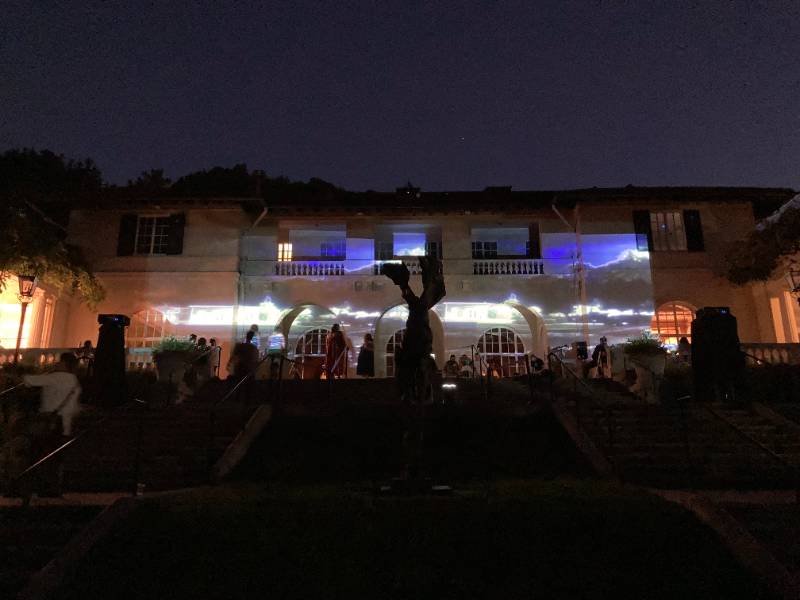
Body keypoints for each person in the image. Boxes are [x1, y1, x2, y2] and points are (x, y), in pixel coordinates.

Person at [22, 353, 82, 497]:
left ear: (63, 364)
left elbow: (27, 380)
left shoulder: (53, 378)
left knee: (39, 456)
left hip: (48, 424)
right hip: (64, 426)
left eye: (59, 361)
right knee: (56, 459)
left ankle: (35, 488)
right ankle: (53, 489)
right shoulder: (75, 381)